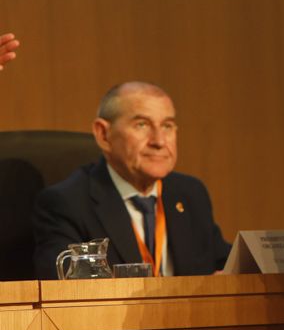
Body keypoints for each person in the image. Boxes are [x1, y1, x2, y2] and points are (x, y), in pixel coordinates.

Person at [33, 82, 230, 279]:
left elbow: (223, 263)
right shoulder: (67, 203)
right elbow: (62, 291)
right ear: (104, 135)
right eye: (142, 125)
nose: (159, 141)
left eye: (167, 126)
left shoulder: (190, 193)